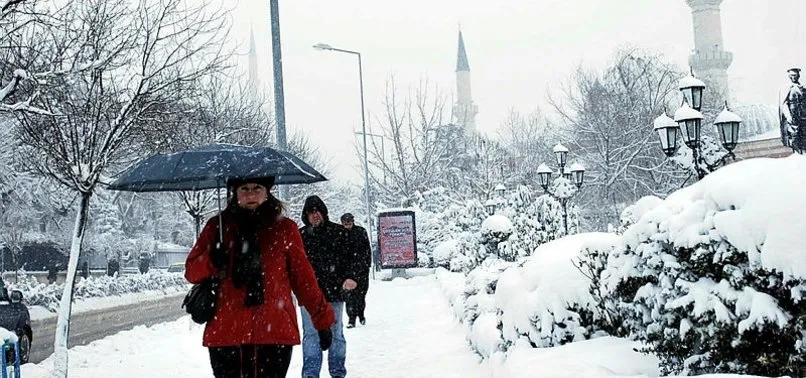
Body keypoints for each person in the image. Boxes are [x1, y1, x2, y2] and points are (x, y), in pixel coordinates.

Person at [185, 177, 335, 378]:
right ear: (234, 193)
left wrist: (322, 320)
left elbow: (304, 280)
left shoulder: (285, 229)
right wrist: (211, 258)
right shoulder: (217, 227)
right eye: (244, 188)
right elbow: (191, 271)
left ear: (268, 191)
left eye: (257, 188)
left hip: (274, 333)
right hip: (227, 333)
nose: (251, 194)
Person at [299, 196, 362, 378]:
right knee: (311, 335)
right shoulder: (300, 236)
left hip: (334, 291)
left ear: (324, 212)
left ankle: (337, 372)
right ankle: (310, 374)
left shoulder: (338, 233)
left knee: (335, 333)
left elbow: (354, 257)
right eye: (311, 212)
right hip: (308, 294)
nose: (315, 215)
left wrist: (351, 277)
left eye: (318, 211)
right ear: (306, 215)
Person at [340, 213, 372, 328]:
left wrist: (367, 264)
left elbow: (367, 249)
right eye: (345, 221)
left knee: (361, 295)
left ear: (353, 221)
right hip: (347, 271)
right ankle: (351, 319)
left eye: (349, 221)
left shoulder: (361, 231)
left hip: (361, 269)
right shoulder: (339, 233)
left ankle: (361, 314)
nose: (347, 223)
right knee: (349, 296)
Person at [781, 67, 806, 152]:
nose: (794, 77)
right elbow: (784, 103)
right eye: (792, 75)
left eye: (795, 75)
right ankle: (797, 153)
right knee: (795, 135)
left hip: (803, 115)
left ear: (798, 75)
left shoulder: (802, 87)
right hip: (793, 115)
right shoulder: (787, 87)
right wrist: (788, 116)